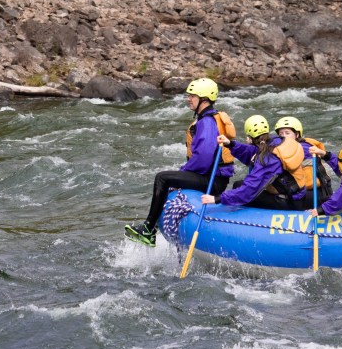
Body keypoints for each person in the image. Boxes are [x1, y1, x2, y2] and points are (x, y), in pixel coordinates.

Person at [125, 77, 235, 246]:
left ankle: (148, 229)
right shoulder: (207, 119)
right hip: (212, 177)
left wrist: (183, 172)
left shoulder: (206, 123)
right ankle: (150, 230)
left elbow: (203, 159)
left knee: (163, 178)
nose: (188, 99)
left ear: (204, 100)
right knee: (170, 177)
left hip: (213, 181)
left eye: (192, 96)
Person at [201, 115, 312, 210]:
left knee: (239, 189)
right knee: (238, 184)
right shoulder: (275, 141)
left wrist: (216, 199)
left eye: (247, 138)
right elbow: (252, 152)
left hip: (289, 201)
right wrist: (230, 144)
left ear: (250, 138)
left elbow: (249, 190)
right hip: (296, 194)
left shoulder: (267, 159)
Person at [273, 115, 333, 204]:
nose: (283, 136)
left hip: (313, 195)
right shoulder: (296, 145)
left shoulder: (302, 148)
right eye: (281, 134)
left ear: (297, 134)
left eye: (287, 133)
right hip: (315, 192)